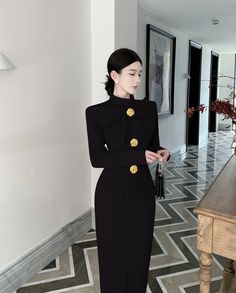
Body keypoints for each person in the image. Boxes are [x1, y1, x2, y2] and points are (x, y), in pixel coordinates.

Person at [85, 48, 170, 293]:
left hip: (142, 191)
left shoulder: (149, 108)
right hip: (111, 194)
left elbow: (153, 145)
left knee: (139, 251)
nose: (138, 80)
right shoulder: (95, 113)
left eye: (140, 74)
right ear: (114, 75)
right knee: (112, 253)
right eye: (132, 73)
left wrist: (162, 152)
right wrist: (137, 156)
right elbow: (97, 158)